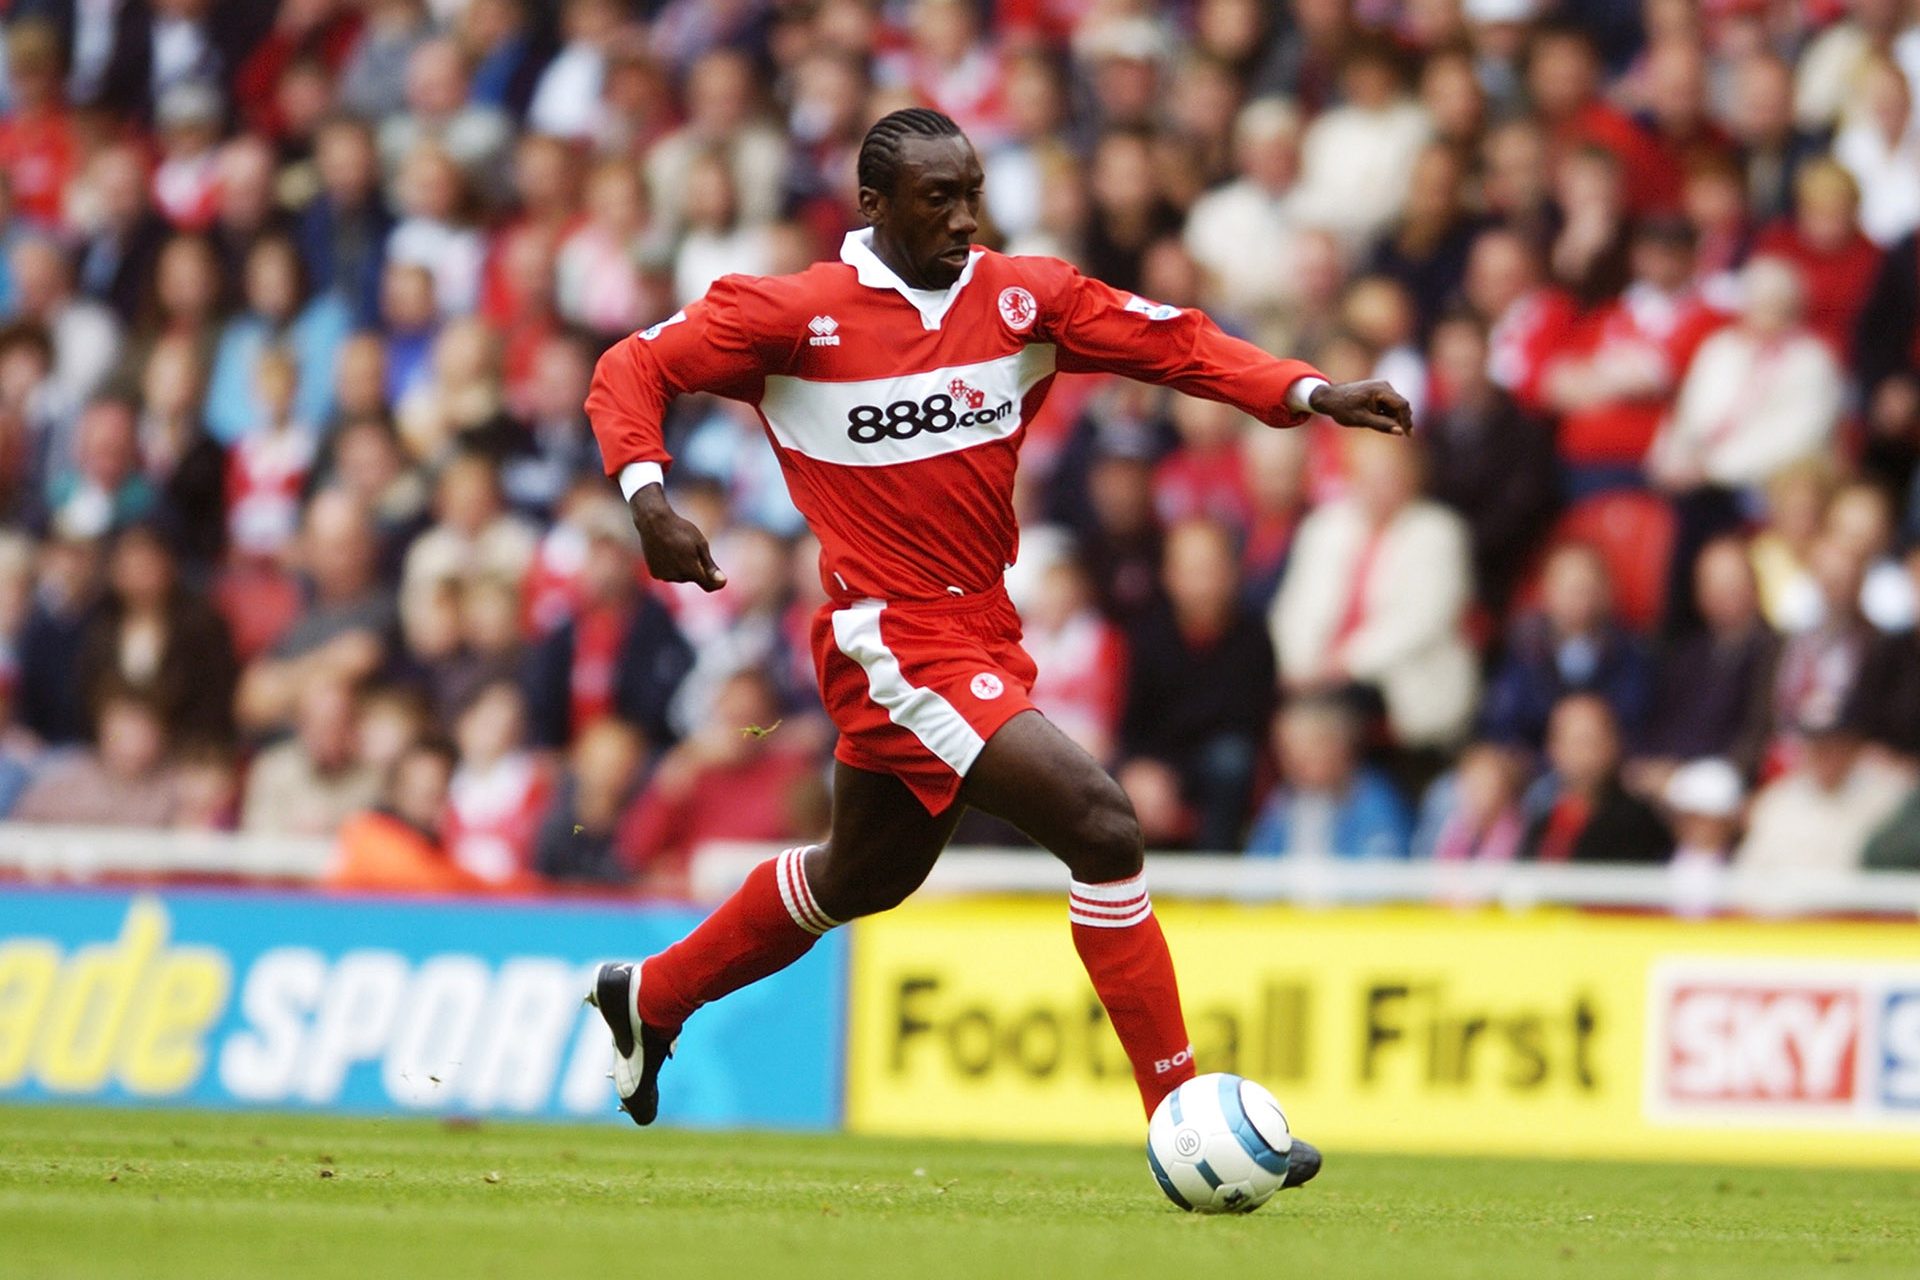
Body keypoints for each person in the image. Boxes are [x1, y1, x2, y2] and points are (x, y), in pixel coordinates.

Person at [581, 109, 1412, 1178]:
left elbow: (1174, 341)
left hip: (980, 625)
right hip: (888, 635)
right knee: (1103, 823)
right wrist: (647, 497)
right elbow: (628, 369)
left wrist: (1305, 390)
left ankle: (648, 995)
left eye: (972, 189)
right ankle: (1183, 1120)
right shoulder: (795, 316)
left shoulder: (1022, 298)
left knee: (860, 875)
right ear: (873, 207)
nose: (966, 216)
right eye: (939, 197)